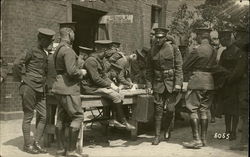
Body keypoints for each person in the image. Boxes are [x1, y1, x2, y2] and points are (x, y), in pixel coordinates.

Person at [12, 28, 55, 154]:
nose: (49, 43)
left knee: (44, 116)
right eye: (47, 40)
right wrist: (20, 79)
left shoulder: (45, 53)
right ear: (40, 39)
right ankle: (27, 145)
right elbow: (16, 64)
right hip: (29, 87)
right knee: (28, 117)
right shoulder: (30, 50)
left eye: (50, 40)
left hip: (40, 89)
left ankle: (36, 142)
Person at [82, 40, 135, 130]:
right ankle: (123, 122)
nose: (108, 52)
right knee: (114, 95)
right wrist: (110, 86)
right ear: (103, 50)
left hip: (96, 86)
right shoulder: (91, 61)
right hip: (90, 88)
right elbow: (96, 79)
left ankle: (114, 119)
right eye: (107, 50)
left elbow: (104, 76)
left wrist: (112, 84)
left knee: (119, 93)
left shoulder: (99, 60)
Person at [52, 24, 88, 157]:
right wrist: (82, 72)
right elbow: (72, 71)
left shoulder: (58, 49)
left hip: (58, 87)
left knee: (61, 118)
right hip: (69, 88)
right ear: (68, 34)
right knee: (77, 116)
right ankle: (72, 151)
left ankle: (60, 150)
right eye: (73, 33)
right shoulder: (68, 50)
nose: (74, 35)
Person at [146, 27, 183, 145]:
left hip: (171, 83)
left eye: (161, 37)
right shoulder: (151, 51)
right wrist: (149, 85)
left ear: (165, 37)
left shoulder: (173, 48)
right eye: (156, 37)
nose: (158, 40)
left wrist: (178, 83)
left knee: (171, 110)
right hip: (158, 83)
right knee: (158, 110)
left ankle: (167, 129)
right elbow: (149, 70)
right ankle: (157, 136)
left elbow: (178, 67)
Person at [182, 28, 216, 149]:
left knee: (193, 109)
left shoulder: (196, 50)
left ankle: (196, 140)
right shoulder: (213, 50)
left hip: (197, 81)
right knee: (204, 110)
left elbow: (185, 66)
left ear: (200, 36)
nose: (195, 38)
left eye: (196, 36)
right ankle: (204, 139)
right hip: (210, 82)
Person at [215, 28, 247, 141]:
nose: (220, 42)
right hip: (226, 84)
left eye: (221, 39)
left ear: (226, 38)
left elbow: (239, 70)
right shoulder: (224, 52)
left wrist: (228, 78)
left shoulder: (239, 52)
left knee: (235, 110)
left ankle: (233, 131)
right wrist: (225, 76)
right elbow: (219, 66)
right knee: (227, 110)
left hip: (235, 84)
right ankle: (227, 131)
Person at [229, 24, 249, 151]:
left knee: (245, 114)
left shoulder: (244, 53)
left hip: (245, 86)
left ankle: (243, 142)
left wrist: (230, 80)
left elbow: (239, 71)